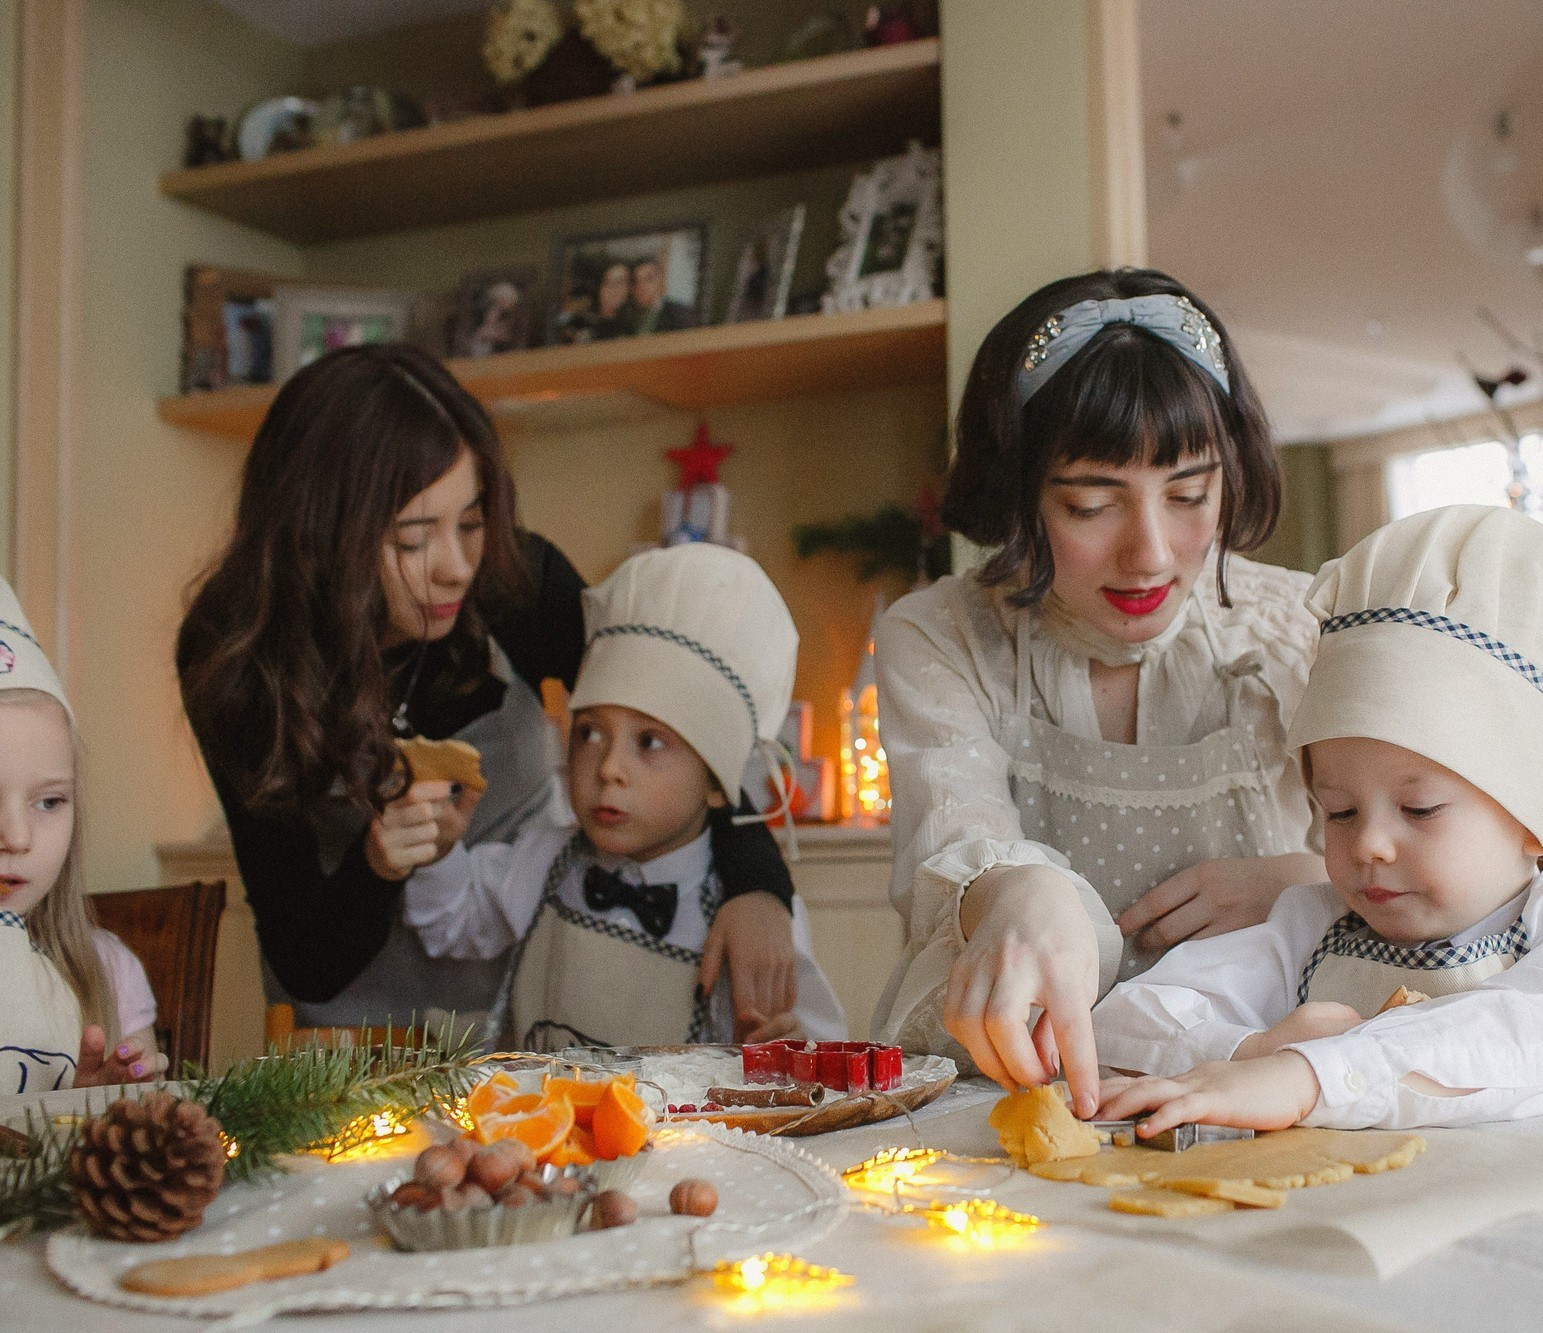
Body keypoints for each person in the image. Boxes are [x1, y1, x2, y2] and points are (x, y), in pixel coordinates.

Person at [177, 345, 802, 1034]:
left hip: (534, 1020)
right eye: (414, 540)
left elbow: (683, 723)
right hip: (349, 1042)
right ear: (322, 537)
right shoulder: (236, 654)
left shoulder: (516, 585)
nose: (456, 568)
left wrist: (758, 884)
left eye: (471, 523)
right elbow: (306, 956)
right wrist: (378, 862)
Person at [871, 269, 1325, 1115]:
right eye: (1090, 504)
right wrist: (1013, 890)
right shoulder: (939, 635)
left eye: (1190, 494)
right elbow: (956, 828)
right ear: (1018, 495)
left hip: (1252, 1087)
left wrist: (1305, 884)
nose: (1150, 553)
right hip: (1010, 1090)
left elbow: (1440, 859)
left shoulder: (1304, 628)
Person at [1091, 505, 1543, 1135]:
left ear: (1532, 821)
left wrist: (1312, 1076)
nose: (1367, 843)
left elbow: (1515, 1036)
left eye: (1419, 809)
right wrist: (1252, 1053)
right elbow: (1121, 1024)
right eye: (1338, 810)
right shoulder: (1309, 930)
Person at [403, 544, 844, 1048]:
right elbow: (451, 921)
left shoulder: (747, 916)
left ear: (718, 785)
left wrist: (780, 1050)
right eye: (589, 732)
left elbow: (821, 1053)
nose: (609, 767)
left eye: (650, 743)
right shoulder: (544, 859)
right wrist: (438, 852)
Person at [0, 578, 160, 1093]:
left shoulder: (106, 972)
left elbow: (145, 1146)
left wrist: (95, 1106)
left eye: (49, 802)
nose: (17, 837)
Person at [625, 256, 697, 335]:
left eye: (649, 279)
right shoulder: (625, 317)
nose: (641, 286)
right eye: (636, 281)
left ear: (661, 280)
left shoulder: (679, 315)